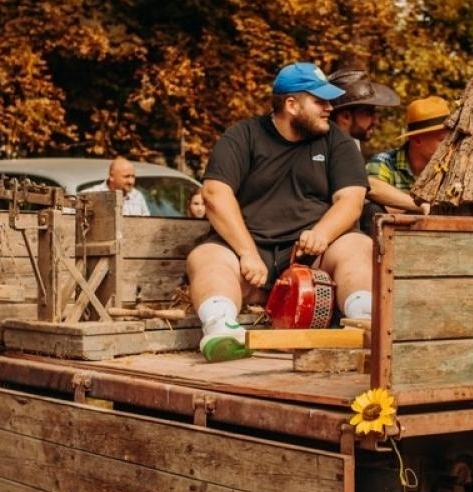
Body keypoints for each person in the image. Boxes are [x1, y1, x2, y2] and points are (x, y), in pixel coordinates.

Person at [188, 63, 375, 361]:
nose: (330, 107)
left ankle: (364, 320)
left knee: (359, 244)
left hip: (312, 257)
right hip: (249, 253)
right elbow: (214, 193)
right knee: (205, 257)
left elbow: (351, 199)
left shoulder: (336, 141)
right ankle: (221, 330)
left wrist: (321, 234)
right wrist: (247, 252)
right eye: (320, 101)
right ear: (291, 105)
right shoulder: (242, 135)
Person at [367, 96, 451, 214]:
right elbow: (371, 186)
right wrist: (421, 206)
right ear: (417, 140)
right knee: (371, 209)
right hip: (391, 232)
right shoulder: (386, 162)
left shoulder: (453, 166)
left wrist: (395, 204)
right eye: (442, 140)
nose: (450, 146)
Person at [328, 69, 401, 149]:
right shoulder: (331, 151)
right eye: (368, 113)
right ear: (346, 117)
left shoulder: (351, 144)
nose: (375, 121)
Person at [84, 156, 150, 216]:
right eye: (126, 176)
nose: (131, 181)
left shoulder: (137, 196)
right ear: (111, 176)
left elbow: (147, 225)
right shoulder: (89, 196)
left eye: (133, 176)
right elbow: (75, 223)